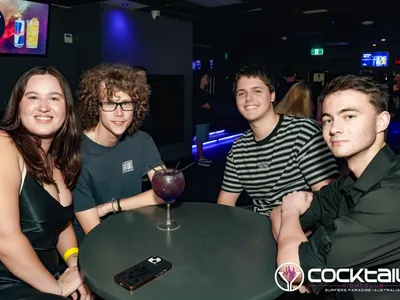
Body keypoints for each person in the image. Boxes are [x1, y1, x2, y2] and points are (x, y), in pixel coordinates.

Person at [272, 75, 400, 299]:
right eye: (328, 119)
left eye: (349, 116)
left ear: (382, 121)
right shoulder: (351, 181)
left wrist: (291, 211)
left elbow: (292, 267)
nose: (334, 129)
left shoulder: (391, 195)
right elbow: (277, 213)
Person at [0, 67, 93, 299]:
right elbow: (5, 239)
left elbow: (61, 224)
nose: (44, 106)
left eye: (54, 98)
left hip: (48, 276)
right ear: (18, 105)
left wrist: (74, 263)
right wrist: (58, 290)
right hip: (10, 282)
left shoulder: (56, 162)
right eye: (33, 97)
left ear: (66, 109)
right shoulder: (4, 144)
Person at [217, 66, 338, 216]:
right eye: (242, 93)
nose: (248, 98)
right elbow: (225, 203)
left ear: (272, 95)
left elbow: (327, 199)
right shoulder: (238, 148)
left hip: (301, 229)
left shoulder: (302, 132)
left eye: (257, 91)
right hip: (258, 228)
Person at [72, 63, 165, 244]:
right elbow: (95, 233)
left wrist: (111, 207)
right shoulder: (76, 153)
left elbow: (165, 191)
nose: (119, 113)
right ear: (95, 106)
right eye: (110, 103)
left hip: (131, 231)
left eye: (126, 103)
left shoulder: (142, 141)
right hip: (95, 245)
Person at [194, 71, 212, 167]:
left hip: (204, 119)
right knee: (199, 140)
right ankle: (200, 158)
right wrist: (204, 105)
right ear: (201, 79)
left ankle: (202, 157)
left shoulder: (203, 92)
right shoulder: (197, 92)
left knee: (201, 139)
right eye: (206, 78)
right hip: (200, 120)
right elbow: (195, 106)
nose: (207, 80)